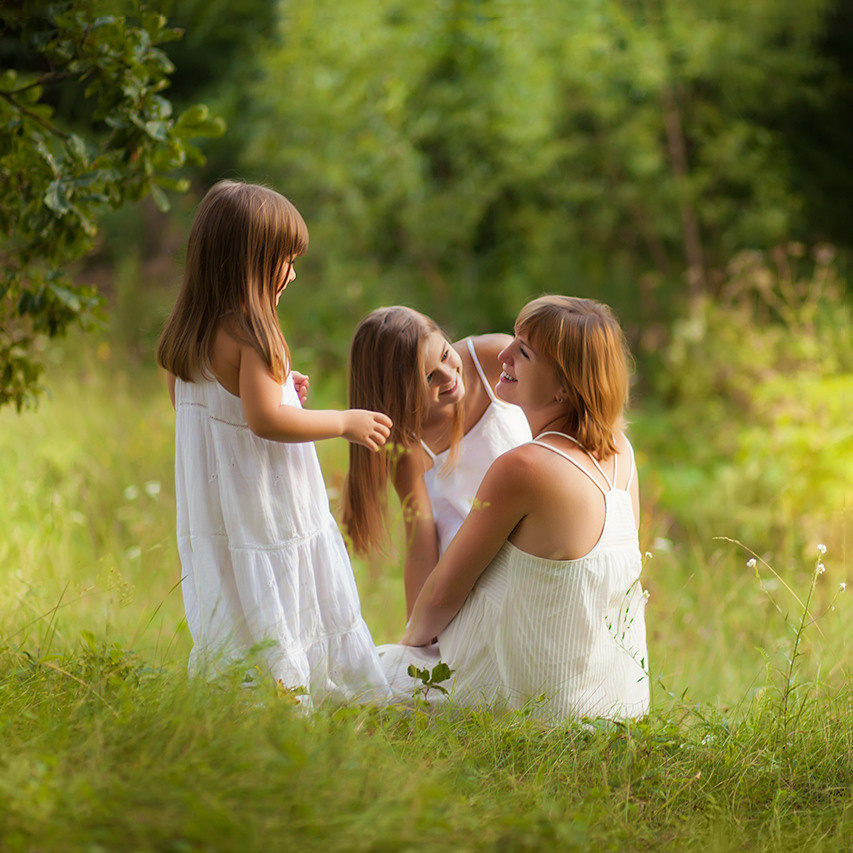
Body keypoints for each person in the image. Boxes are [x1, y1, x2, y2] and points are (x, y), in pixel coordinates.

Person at [156, 180, 392, 706]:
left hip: (222, 511)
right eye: (285, 259)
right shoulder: (254, 334)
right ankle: (300, 694)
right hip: (269, 508)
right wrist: (344, 421)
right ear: (250, 262)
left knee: (243, 599)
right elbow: (263, 421)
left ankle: (249, 694)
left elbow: (198, 405)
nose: (292, 271)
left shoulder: (187, 332)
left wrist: (282, 388)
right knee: (287, 592)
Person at [385, 295, 650, 722]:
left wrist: (406, 653)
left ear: (565, 385)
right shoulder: (622, 451)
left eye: (523, 352)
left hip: (535, 702)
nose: (504, 354)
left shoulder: (523, 466)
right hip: (618, 701)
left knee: (349, 676)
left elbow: (442, 592)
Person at [342, 306, 531, 616]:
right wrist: (414, 632)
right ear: (398, 394)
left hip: (532, 524)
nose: (448, 376)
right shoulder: (407, 447)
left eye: (444, 355)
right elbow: (421, 545)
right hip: (475, 561)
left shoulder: (493, 358)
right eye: (429, 377)